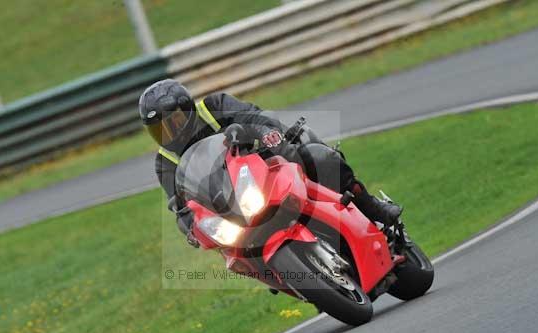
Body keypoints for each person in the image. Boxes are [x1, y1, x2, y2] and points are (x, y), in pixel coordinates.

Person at [138, 79, 401, 246]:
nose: (169, 133)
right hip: (230, 203)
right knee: (229, 245)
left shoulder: (213, 106)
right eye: (159, 130)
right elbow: (180, 204)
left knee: (316, 157)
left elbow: (255, 117)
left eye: (173, 122)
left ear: (189, 110)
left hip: (266, 164)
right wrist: (190, 229)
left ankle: (370, 206)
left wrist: (268, 133)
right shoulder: (165, 161)